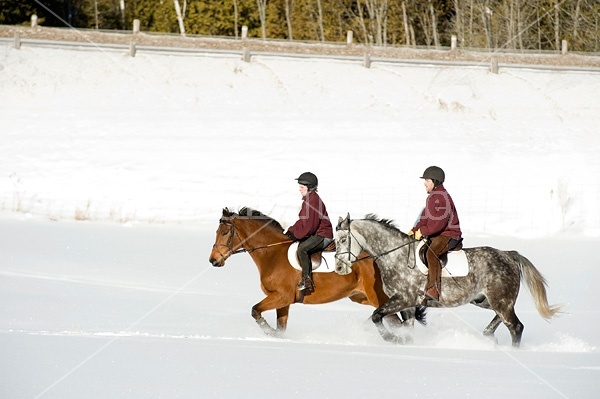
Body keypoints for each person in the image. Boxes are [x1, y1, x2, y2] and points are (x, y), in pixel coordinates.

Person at [408, 166, 462, 302]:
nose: (424, 183)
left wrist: (422, 231)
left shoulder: (441, 198)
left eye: (427, 180)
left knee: (431, 253)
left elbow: (438, 224)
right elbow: (425, 218)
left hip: (449, 234)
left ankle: (433, 289)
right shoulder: (433, 197)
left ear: (435, 181)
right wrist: (414, 230)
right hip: (439, 233)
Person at [284, 172, 333, 292]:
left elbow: (310, 227)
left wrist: (297, 235)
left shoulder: (313, 201)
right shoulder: (308, 200)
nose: (299, 190)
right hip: (316, 233)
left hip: (322, 235)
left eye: (302, 187)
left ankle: (307, 280)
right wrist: (291, 230)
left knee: (302, 249)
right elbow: (302, 221)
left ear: (309, 187)